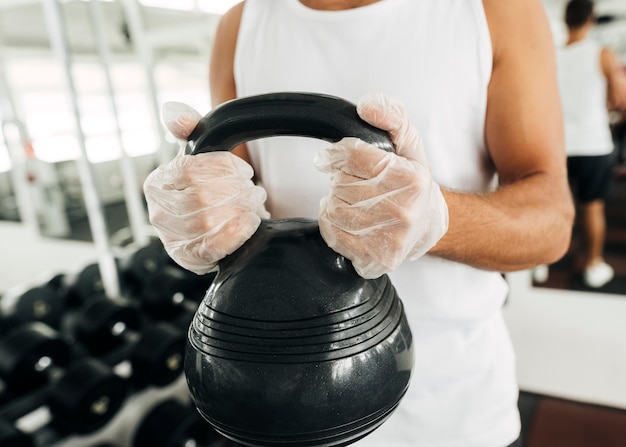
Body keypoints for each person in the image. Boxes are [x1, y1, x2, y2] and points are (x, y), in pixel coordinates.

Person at [143, 1, 575, 446]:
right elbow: (234, 212)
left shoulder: (495, 10)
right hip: (283, 410)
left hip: (454, 409)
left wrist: (435, 217)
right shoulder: (240, 25)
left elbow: (552, 223)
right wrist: (200, 214)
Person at [555, 0, 625, 288]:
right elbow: (617, 99)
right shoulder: (602, 54)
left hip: (557, 146)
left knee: (555, 206)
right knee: (591, 207)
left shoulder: (552, 56)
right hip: (592, 145)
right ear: (591, 20)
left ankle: (542, 261)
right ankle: (593, 266)